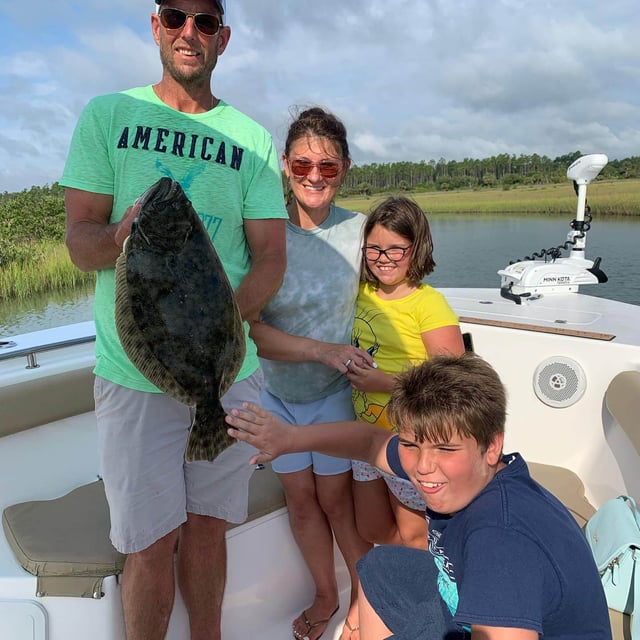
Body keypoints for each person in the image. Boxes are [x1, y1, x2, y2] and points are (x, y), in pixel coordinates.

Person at [60, 1, 287, 639]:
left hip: (229, 371)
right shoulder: (108, 116)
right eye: (177, 16)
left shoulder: (253, 140)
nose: (191, 31)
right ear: (157, 26)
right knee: (150, 541)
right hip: (134, 378)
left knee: (210, 528)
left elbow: (271, 256)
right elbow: (80, 242)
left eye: (206, 21)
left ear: (223, 38)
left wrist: (224, 320)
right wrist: (121, 237)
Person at [225, 352, 613, 640]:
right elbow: (369, 442)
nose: (423, 467)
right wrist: (290, 439)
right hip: (466, 600)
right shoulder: (479, 472)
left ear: (491, 447)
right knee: (382, 565)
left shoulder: (500, 540)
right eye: (411, 444)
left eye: (445, 450)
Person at [249, 106, 373, 640]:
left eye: (327, 166)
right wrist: (319, 349)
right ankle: (326, 594)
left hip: (333, 395)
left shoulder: (360, 231)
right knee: (300, 502)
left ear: (344, 168)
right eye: (302, 166)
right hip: (275, 393)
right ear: (285, 165)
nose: (314, 177)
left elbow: (397, 292)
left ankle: (366, 603)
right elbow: (248, 326)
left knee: (336, 502)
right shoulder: (263, 232)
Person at [348, 196, 465, 549]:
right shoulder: (359, 291)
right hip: (365, 440)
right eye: (374, 249)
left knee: (415, 536)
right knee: (370, 529)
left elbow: (452, 384)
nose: (383, 260)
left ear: (417, 249)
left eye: (396, 250)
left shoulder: (429, 305)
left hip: (408, 443)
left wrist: (381, 382)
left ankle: (422, 593)